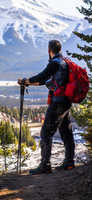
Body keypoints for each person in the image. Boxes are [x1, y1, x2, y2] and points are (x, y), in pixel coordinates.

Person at [18, 40, 75, 174]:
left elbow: (41, 76)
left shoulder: (54, 63)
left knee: (46, 132)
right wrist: (29, 84)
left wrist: (25, 81)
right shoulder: (65, 62)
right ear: (60, 49)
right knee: (66, 132)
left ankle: (45, 165)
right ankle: (69, 162)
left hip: (58, 102)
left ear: (49, 51)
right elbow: (45, 81)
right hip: (66, 102)